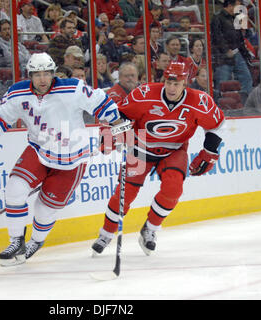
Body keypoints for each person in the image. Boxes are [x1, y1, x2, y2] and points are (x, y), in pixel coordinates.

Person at [0, 52, 126, 266]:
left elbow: (101, 102)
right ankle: (16, 241)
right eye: (37, 75)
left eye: (46, 74)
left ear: (53, 73)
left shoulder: (72, 88)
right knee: (14, 189)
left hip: (72, 159)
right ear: (30, 75)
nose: (42, 79)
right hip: (39, 149)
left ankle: (36, 241)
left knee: (44, 209)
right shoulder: (18, 92)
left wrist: (118, 123)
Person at [92, 61, 225, 256]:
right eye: (168, 83)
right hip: (141, 146)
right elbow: (121, 116)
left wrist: (210, 151)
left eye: (177, 84)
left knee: (173, 190)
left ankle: (150, 229)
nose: (171, 88)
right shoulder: (144, 94)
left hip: (174, 150)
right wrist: (111, 134)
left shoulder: (200, 101)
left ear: (185, 83)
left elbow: (217, 124)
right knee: (124, 193)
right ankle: (106, 233)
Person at [211, 0, 253, 96]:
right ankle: (219, 105)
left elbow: (239, 37)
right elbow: (217, 37)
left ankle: (245, 102)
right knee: (222, 82)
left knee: (246, 78)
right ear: (230, 6)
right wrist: (225, 50)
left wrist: (245, 52)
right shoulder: (217, 17)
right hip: (223, 55)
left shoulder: (235, 18)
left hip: (237, 52)